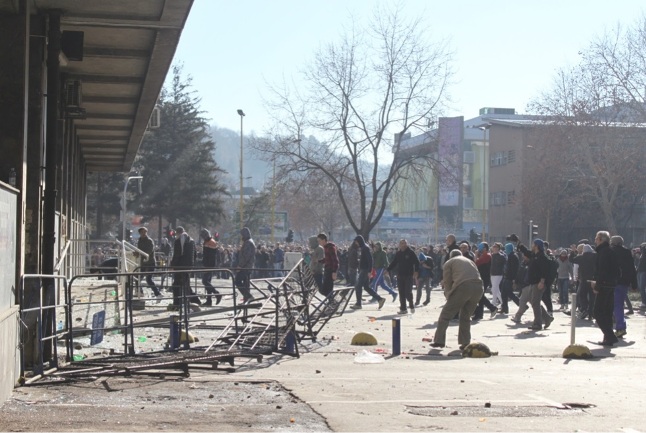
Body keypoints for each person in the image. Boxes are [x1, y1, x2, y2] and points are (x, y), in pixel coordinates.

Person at [431, 249, 484, 349]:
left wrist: (448, 295)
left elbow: (447, 281)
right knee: (465, 316)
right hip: (478, 287)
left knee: (445, 315)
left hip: (464, 287)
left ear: (451, 256)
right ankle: (465, 342)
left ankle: (439, 341)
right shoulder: (470, 261)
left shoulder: (449, 262)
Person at [592, 231, 620, 346]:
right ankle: (607, 339)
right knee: (607, 313)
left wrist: (598, 285)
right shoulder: (611, 251)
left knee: (597, 312)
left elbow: (602, 271)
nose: (595, 240)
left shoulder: (603, 252)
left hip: (604, 284)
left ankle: (610, 336)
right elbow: (618, 271)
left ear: (601, 240)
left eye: (596, 238)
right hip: (611, 284)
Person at [518, 239, 554, 330]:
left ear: (537, 246)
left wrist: (542, 282)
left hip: (538, 283)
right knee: (534, 302)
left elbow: (544, 271)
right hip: (533, 282)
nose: (532, 246)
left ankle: (537, 324)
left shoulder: (542, 257)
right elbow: (526, 252)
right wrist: (519, 243)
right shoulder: (535, 255)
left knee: (535, 303)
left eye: (533, 245)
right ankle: (547, 318)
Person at [610, 236, 637, 339]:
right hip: (624, 282)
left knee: (613, 305)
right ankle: (619, 325)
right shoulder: (627, 252)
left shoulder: (610, 251)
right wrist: (634, 284)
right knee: (619, 305)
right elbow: (632, 268)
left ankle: (619, 327)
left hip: (612, 282)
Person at [350, 235, 385, 310]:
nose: (356, 243)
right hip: (364, 269)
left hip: (365, 270)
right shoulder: (364, 248)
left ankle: (358, 304)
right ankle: (380, 299)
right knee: (366, 287)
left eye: (356, 241)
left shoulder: (365, 248)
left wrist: (369, 271)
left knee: (358, 286)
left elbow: (370, 260)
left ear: (359, 241)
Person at [387, 239, 420, 315]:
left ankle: (411, 304)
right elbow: (394, 262)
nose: (403, 245)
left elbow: (416, 262)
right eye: (401, 243)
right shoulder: (398, 253)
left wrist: (416, 271)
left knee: (407, 292)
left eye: (404, 243)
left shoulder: (411, 252)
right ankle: (403, 309)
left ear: (407, 244)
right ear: (399, 245)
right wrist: (388, 269)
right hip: (400, 275)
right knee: (401, 292)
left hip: (408, 275)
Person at [170, 226, 199, 306]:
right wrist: (192, 264)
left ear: (177, 233)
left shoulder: (178, 241)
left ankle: (177, 303)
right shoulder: (191, 240)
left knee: (176, 284)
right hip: (188, 265)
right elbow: (195, 254)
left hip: (180, 265)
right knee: (186, 284)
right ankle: (194, 300)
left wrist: (172, 265)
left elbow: (177, 254)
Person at [136, 227, 161, 298]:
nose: (143, 234)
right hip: (143, 263)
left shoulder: (150, 241)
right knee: (137, 278)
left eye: (144, 232)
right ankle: (140, 292)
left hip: (150, 262)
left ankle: (157, 293)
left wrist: (140, 254)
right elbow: (139, 249)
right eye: (142, 232)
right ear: (140, 233)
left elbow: (149, 251)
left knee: (149, 279)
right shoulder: (139, 241)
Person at [199, 228, 222, 306]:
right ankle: (209, 301)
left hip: (209, 265)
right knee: (207, 282)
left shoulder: (211, 242)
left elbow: (211, 257)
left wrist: (207, 267)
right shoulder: (208, 241)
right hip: (208, 265)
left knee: (205, 281)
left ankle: (216, 293)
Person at [235, 227, 256, 303]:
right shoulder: (249, 242)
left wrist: (240, 266)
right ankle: (247, 299)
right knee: (246, 283)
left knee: (237, 281)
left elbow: (246, 257)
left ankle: (248, 296)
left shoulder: (248, 243)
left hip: (245, 267)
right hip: (247, 266)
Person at [499, 242, 520, 314]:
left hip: (510, 278)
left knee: (509, 293)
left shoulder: (513, 256)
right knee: (503, 293)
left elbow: (514, 269)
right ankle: (504, 308)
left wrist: (514, 280)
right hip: (506, 276)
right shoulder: (510, 256)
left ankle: (521, 305)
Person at [317, 233, 339, 298]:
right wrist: (319, 261)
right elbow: (327, 259)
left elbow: (335, 260)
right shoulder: (325, 248)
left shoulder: (330, 247)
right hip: (327, 269)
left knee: (327, 289)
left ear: (324, 240)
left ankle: (332, 303)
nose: (319, 242)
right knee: (325, 290)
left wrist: (334, 271)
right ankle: (331, 302)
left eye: (319, 241)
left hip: (330, 270)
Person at [490, 242, 506, 308]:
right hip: (492, 274)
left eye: (496, 247)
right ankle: (503, 303)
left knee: (494, 288)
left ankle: (493, 303)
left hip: (499, 274)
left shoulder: (501, 256)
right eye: (494, 246)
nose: (494, 248)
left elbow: (504, 265)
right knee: (496, 290)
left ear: (499, 248)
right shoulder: (491, 256)